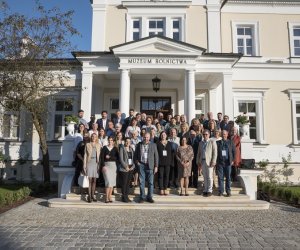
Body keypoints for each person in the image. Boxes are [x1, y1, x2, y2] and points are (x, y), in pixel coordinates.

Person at [134, 132, 159, 203]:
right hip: (141, 165)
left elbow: (156, 156)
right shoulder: (139, 144)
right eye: (145, 137)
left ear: (150, 137)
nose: (146, 138)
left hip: (150, 165)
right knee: (142, 182)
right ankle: (142, 197)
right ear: (143, 137)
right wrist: (137, 162)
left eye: (147, 137)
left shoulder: (153, 145)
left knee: (151, 183)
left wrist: (156, 166)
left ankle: (149, 197)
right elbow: (135, 155)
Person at [196, 129, 217, 197]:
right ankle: (205, 189)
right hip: (202, 161)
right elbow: (198, 153)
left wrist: (213, 161)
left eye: (206, 134)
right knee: (204, 176)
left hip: (209, 162)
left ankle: (209, 190)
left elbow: (215, 153)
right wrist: (198, 161)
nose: (205, 135)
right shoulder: (201, 143)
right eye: (204, 134)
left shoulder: (212, 142)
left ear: (209, 135)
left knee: (210, 177)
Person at [216, 130, 236, 197]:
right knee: (220, 177)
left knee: (228, 178)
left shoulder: (231, 142)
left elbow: (234, 152)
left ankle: (228, 191)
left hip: (228, 162)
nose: (223, 135)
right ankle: (221, 191)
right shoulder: (217, 142)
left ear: (227, 135)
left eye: (225, 134)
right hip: (220, 162)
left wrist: (233, 160)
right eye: (222, 134)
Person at [83, 133, 101, 203]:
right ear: (91, 137)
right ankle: (89, 196)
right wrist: (84, 165)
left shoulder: (99, 145)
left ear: (97, 138)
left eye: (95, 136)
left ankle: (93, 195)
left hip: (96, 163)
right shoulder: (88, 144)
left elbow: (99, 155)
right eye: (93, 136)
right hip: (89, 162)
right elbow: (85, 155)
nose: (94, 138)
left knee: (94, 180)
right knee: (90, 180)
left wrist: (99, 165)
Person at [101, 136, 119, 203]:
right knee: (108, 181)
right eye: (109, 140)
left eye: (111, 140)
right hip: (106, 166)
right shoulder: (104, 148)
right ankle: (106, 197)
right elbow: (101, 158)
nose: (110, 141)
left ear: (113, 141)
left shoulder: (115, 148)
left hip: (113, 166)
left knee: (112, 182)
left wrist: (110, 157)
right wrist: (103, 166)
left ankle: (109, 197)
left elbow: (117, 158)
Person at [119, 137, 135, 202]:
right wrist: (125, 166)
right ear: (124, 142)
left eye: (129, 141)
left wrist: (132, 166)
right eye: (126, 141)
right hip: (124, 168)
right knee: (124, 183)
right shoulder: (122, 148)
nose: (127, 142)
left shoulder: (131, 149)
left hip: (131, 168)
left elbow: (133, 158)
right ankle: (124, 196)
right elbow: (121, 159)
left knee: (128, 183)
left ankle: (126, 196)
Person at [156, 131, 172, 195]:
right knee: (160, 176)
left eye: (164, 135)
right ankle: (161, 189)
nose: (163, 136)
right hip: (160, 162)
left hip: (168, 162)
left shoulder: (169, 143)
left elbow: (172, 153)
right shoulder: (157, 143)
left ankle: (165, 188)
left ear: (166, 136)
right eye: (162, 135)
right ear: (160, 136)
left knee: (167, 176)